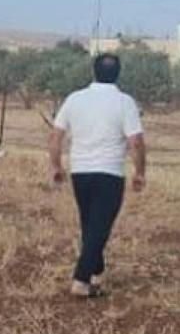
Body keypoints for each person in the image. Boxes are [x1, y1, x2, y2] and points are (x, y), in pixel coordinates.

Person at [48, 53, 146, 299]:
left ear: (93, 71)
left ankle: (96, 273)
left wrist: (56, 166)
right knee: (99, 228)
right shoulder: (125, 102)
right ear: (118, 73)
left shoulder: (74, 99)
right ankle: (81, 281)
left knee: (91, 225)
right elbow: (136, 141)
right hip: (110, 173)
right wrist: (140, 172)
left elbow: (56, 136)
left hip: (80, 172)